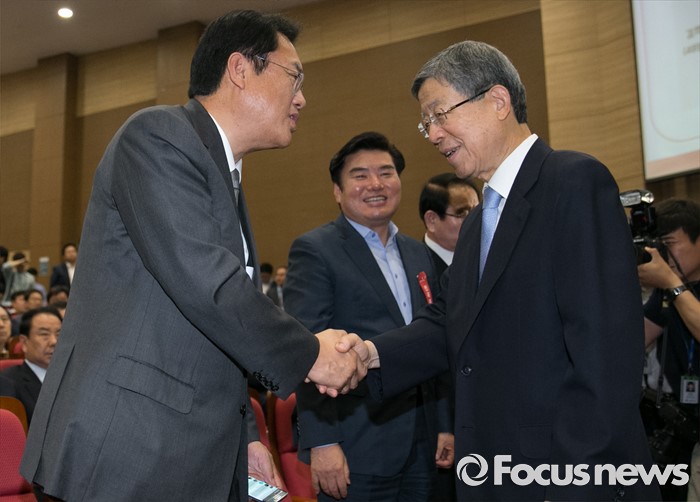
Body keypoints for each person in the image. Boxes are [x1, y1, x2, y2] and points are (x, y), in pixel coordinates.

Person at [20, 10, 366, 502]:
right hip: (127, 448)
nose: (302, 98)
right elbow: (209, 286)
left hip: (184, 448)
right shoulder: (158, 135)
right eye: (294, 77)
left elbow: (215, 333)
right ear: (240, 69)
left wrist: (246, 437)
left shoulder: (225, 174)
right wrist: (311, 354)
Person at [349, 40, 659, 501]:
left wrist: (572, 483)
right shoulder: (478, 222)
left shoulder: (572, 182)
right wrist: (369, 354)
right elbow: (449, 322)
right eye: (426, 122)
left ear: (497, 101)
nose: (432, 134)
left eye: (439, 114)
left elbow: (605, 355)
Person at [285, 131, 452, 501]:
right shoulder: (315, 251)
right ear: (337, 191)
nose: (376, 184)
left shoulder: (417, 253)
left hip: (422, 443)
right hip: (356, 445)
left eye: (386, 173)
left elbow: (433, 339)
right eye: (360, 175)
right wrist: (323, 442)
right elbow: (306, 352)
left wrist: (444, 423)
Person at [638, 198, 700, 501]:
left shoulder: (673, 288)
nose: (664, 255)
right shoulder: (666, 293)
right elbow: (636, 339)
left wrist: (672, 284)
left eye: (670, 244)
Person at [1, 306, 61, 425]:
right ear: (24, 342)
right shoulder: (7, 382)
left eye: (59, 334)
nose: (54, 341)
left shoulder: (74, 378)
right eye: (44, 334)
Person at [419, 172, 480, 277]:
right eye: (463, 214)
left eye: (476, 212)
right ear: (431, 220)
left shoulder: (483, 257)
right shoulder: (417, 269)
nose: (474, 220)